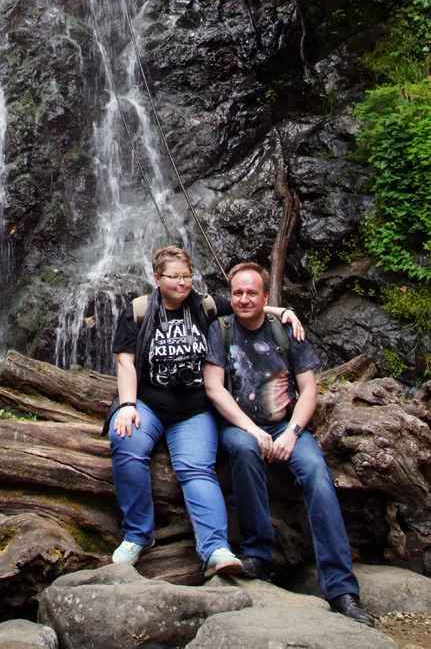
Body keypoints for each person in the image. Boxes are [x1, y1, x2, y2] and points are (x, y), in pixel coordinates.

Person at [108, 244, 304, 576]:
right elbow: (126, 364)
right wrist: (127, 405)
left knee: (197, 468)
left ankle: (216, 549)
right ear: (157, 278)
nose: (182, 283)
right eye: (174, 277)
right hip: (149, 403)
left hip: (195, 410)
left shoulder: (206, 305)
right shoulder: (138, 311)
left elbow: (249, 307)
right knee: (126, 441)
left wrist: (284, 312)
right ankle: (138, 534)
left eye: (187, 276)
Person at [204, 261, 374, 627]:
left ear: (266, 297)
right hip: (242, 427)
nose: (244, 299)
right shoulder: (221, 329)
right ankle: (258, 554)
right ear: (229, 295)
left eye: (252, 293)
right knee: (244, 450)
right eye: (237, 293)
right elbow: (214, 387)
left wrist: (293, 432)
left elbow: (309, 388)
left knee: (316, 472)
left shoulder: (284, 331)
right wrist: (253, 429)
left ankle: (342, 589)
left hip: (288, 425)